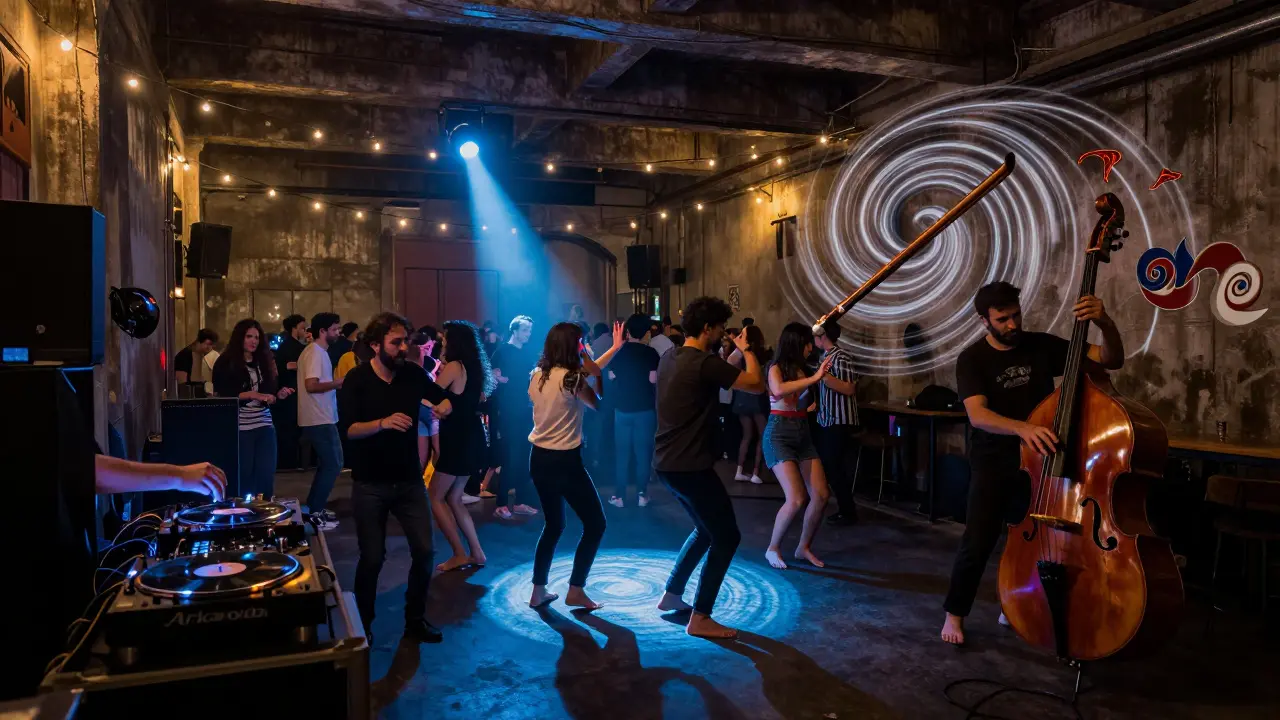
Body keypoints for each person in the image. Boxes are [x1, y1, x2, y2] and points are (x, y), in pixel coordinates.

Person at [940, 281, 1123, 647]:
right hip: (993, 462)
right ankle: (954, 614)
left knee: (1033, 543)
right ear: (984, 320)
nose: (1012, 325)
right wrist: (1023, 428)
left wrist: (1105, 323)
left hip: (1040, 464)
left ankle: (1013, 605)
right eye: (1002, 319)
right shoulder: (972, 359)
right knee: (978, 542)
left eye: (1016, 315)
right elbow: (978, 415)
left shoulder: (1041, 345)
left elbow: (1110, 359)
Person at [653, 296, 765, 639]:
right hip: (690, 465)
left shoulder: (670, 357)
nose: (723, 333)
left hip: (667, 463)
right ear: (707, 328)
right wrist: (747, 349)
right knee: (727, 536)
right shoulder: (704, 363)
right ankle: (701, 617)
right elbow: (755, 383)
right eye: (720, 327)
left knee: (705, 529)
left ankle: (672, 594)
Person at [338, 312, 454, 643]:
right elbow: (349, 429)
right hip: (370, 483)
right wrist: (382, 423)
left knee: (425, 551)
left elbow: (441, 396)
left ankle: (414, 621)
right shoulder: (357, 379)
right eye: (396, 342)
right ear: (375, 345)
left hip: (408, 481)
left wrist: (445, 406)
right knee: (372, 558)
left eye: (406, 341)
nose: (403, 348)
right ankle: (363, 626)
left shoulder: (412, 374)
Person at [526, 321, 624, 610]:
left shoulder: (537, 374)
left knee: (553, 525)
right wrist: (600, 375)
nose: (585, 346)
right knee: (595, 524)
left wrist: (615, 349)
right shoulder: (572, 380)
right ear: (573, 346)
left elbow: (586, 370)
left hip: (539, 458)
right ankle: (576, 590)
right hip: (565, 462)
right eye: (581, 342)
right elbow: (599, 402)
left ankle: (538, 591)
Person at [761, 323, 834, 570]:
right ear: (796, 343)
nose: (810, 348)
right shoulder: (775, 368)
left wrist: (812, 397)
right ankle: (772, 548)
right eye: (807, 344)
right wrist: (814, 378)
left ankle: (803, 547)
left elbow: (798, 402)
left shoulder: (802, 370)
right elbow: (778, 390)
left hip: (802, 432)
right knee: (796, 498)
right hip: (779, 433)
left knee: (821, 495)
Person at [429, 320, 497, 572]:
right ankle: (476, 553)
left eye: (445, 338)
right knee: (454, 498)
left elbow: (431, 392)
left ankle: (459, 553)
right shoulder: (475, 367)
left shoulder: (455, 366)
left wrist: (440, 406)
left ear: (455, 341)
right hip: (471, 436)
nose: (443, 342)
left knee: (435, 496)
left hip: (457, 438)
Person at [212, 319, 296, 497]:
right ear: (240, 337)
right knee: (244, 476)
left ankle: (264, 508)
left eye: (257, 337)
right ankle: (244, 510)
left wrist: (278, 395)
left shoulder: (264, 361)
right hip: (241, 427)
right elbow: (224, 394)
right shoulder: (226, 362)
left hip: (265, 424)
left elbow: (268, 393)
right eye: (249, 336)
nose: (254, 341)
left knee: (265, 475)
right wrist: (252, 394)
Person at [489, 315, 540, 519]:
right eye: (525, 330)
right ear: (515, 330)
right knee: (510, 456)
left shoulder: (526, 353)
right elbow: (491, 377)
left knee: (524, 456)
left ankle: (520, 501)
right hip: (508, 410)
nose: (528, 334)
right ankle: (501, 503)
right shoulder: (502, 351)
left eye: (530, 330)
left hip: (526, 409)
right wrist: (499, 379)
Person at [607, 313, 661, 508]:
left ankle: (619, 496)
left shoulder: (617, 352)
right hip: (645, 409)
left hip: (622, 408)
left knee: (622, 453)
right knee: (643, 453)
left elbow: (611, 377)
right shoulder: (651, 353)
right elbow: (653, 380)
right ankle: (642, 495)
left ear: (627, 331)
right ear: (646, 332)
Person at [298, 312, 345, 529]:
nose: (338, 333)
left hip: (321, 416)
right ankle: (315, 511)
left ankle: (314, 507)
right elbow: (311, 385)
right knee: (333, 464)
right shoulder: (315, 353)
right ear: (322, 331)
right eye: (335, 329)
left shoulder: (317, 352)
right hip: (319, 418)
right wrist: (338, 383)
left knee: (329, 464)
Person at [813, 320, 861, 527]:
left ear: (823, 336)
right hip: (827, 418)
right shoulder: (824, 357)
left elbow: (849, 388)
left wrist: (823, 377)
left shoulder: (841, 357)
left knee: (835, 466)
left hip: (840, 420)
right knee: (830, 465)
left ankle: (847, 511)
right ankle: (843, 508)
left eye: (816, 336)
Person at [730, 325, 770, 484]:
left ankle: (739, 470)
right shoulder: (762, 354)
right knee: (762, 435)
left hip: (741, 398)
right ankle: (756, 472)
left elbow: (730, 362)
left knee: (747, 435)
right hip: (758, 398)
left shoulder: (740, 353)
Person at [274, 314, 308, 469]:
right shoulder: (291, 346)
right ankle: (290, 464)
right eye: (302, 328)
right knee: (291, 431)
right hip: (290, 393)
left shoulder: (287, 345)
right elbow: (287, 365)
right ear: (294, 328)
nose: (305, 331)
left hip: (289, 393)